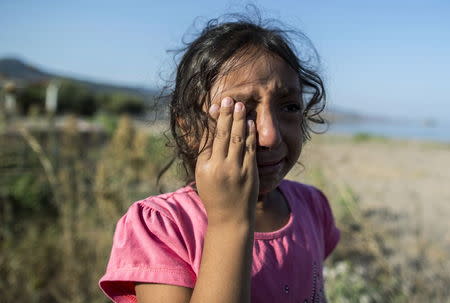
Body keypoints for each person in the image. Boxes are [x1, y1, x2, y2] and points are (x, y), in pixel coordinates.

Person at [99, 12, 340, 303]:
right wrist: (230, 221)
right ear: (187, 128)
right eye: (241, 110)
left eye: (288, 107)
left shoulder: (312, 207)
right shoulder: (162, 228)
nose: (270, 135)